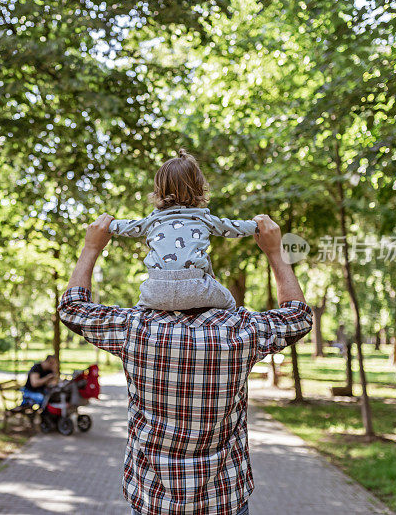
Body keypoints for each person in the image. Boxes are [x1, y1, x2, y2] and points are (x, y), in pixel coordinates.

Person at [58, 212, 312, 515]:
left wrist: (91, 248)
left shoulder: (134, 329)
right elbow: (297, 316)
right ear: (208, 273)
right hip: (223, 501)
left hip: (153, 501)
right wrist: (274, 252)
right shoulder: (240, 331)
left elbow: (73, 308)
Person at [108, 149, 257, 311]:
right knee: (229, 303)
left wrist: (109, 224)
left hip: (156, 289)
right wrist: (256, 225)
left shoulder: (153, 219)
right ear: (200, 188)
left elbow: (129, 227)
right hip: (196, 288)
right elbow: (234, 227)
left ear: (159, 190)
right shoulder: (202, 217)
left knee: (139, 313)